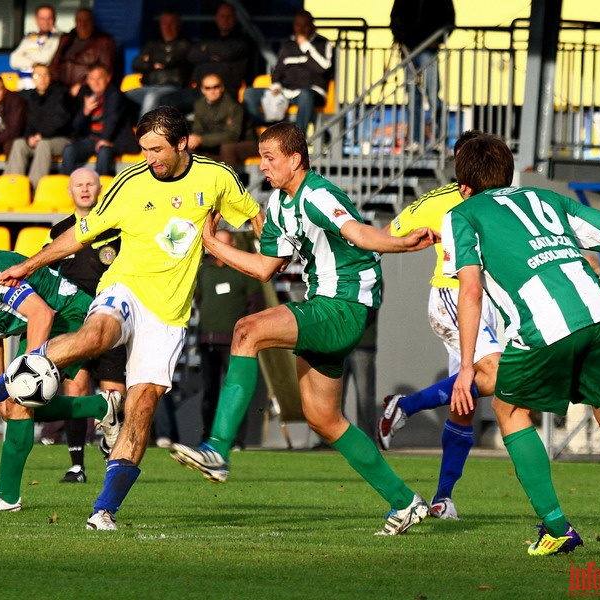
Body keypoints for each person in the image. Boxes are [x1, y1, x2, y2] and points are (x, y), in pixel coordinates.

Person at [0, 106, 263, 531]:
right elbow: (80, 233)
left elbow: (256, 218)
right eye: (143, 148)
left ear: (183, 143)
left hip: (169, 312)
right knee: (98, 333)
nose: (148, 156)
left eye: (156, 149)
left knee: (142, 406)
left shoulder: (217, 177)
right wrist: (30, 265)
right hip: (125, 287)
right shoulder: (131, 183)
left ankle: (103, 510)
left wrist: (279, 251)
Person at [169, 122, 439, 536]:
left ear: (295, 159)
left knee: (246, 330)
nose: (262, 166)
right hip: (325, 306)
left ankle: (218, 450)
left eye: (270, 158)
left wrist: (401, 244)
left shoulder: (318, 193)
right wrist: (214, 245)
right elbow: (264, 268)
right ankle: (406, 502)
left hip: (346, 305)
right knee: (323, 419)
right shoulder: (278, 205)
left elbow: (358, 233)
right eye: (261, 157)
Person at [445, 133, 600, 559]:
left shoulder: (463, 214)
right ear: (508, 172)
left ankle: (556, 527)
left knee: (509, 409)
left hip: (544, 326)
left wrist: (466, 366)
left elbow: (470, 291)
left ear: (465, 185)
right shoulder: (547, 199)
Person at [0, 223, 123, 511]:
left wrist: (18, 379)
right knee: (20, 403)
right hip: (45, 320)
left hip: (70, 314)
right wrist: (1, 383)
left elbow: (41, 313)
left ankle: (6, 495)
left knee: (20, 402)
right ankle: (101, 407)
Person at [376, 130, 501, 521]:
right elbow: (384, 237)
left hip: (495, 301)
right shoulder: (438, 201)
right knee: (496, 374)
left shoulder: (502, 196)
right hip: (453, 296)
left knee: (465, 403)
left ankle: (443, 498)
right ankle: (406, 405)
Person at [39, 169, 127, 481]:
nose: (85, 189)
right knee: (75, 388)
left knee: (114, 395)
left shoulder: (116, 227)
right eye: (79, 185)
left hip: (112, 317)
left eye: (91, 183)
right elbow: (44, 273)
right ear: (70, 190)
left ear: (101, 188)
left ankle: (109, 441)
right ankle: (76, 465)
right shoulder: (59, 231)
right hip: (75, 322)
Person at [194, 228, 264, 448]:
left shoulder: (244, 271)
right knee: (209, 393)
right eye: (217, 244)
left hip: (235, 343)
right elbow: (198, 299)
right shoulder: (205, 271)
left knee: (236, 391)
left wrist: (247, 334)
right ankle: (207, 437)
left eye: (225, 244)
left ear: (233, 246)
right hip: (207, 341)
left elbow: (256, 303)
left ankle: (236, 440)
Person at [242, 11, 332, 135]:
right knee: (249, 93)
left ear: (311, 25)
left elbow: (323, 68)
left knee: (305, 95)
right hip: (286, 90)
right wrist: (277, 85)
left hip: (311, 91)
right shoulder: (288, 44)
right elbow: (278, 70)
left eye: (305, 25)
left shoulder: (322, 43)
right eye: (298, 25)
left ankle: (298, 139)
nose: (301, 29)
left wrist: (306, 46)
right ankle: (265, 130)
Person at [161, 2, 253, 116]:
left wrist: (206, 51)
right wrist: (215, 55)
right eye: (222, 16)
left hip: (224, 92)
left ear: (235, 18)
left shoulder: (242, 41)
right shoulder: (208, 36)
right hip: (199, 90)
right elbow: (192, 55)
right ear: (216, 18)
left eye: (229, 16)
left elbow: (227, 53)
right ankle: (179, 133)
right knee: (165, 101)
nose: (225, 19)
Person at [390, 0, 455, 149]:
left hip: (429, 50)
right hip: (409, 50)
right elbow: (396, 18)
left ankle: (439, 141)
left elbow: (449, 20)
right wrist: (400, 38)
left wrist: (438, 40)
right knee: (413, 98)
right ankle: (415, 141)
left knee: (433, 96)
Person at [60, 64, 137, 176]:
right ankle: (66, 187)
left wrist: (105, 139)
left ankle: (100, 188)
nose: (96, 82)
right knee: (69, 150)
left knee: (103, 151)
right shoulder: (85, 93)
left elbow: (112, 120)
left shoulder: (115, 94)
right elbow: (75, 127)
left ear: (107, 78)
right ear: (87, 81)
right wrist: (85, 111)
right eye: (92, 79)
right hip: (91, 139)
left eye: (99, 78)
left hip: (114, 140)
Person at [4, 63, 72, 188]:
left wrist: (41, 136)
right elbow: (29, 122)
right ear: (32, 78)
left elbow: (60, 121)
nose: (42, 78)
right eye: (38, 75)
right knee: (20, 144)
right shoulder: (31, 97)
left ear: (50, 77)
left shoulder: (61, 95)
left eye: (45, 75)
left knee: (43, 144)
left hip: (61, 139)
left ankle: (33, 187)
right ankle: (13, 186)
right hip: (38, 138)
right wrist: (29, 137)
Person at [187, 73, 257, 170]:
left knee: (227, 147)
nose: (212, 91)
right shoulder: (199, 105)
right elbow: (198, 129)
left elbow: (232, 135)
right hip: (216, 142)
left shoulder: (233, 106)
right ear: (202, 90)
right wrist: (194, 139)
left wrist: (202, 139)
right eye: (208, 88)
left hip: (245, 142)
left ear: (222, 87)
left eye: (216, 87)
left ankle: (229, 182)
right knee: (189, 146)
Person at [127, 10, 190, 117]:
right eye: (164, 23)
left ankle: (145, 132)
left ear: (178, 25)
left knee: (151, 97)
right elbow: (136, 64)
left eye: (171, 23)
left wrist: (149, 59)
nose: (167, 27)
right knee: (125, 96)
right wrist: (152, 64)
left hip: (172, 88)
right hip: (149, 86)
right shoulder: (152, 44)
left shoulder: (184, 44)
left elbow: (168, 61)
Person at [49, 8, 117, 96]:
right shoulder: (66, 38)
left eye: (87, 20)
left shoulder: (104, 42)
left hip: (85, 89)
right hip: (60, 88)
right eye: (79, 20)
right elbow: (55, 62)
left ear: (93, 22)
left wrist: (83, 85)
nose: (83, 24)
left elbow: (106, 70)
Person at [9, 5, 62, 90]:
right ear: (36, 20)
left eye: (49, 18)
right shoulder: (30, 37)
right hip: (22, 84)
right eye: (42, 18)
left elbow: (44, 59)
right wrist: (34, 64)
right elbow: (13, 59)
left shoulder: (59, 37)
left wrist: (26, 55)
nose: (46, 22)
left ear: (54, 19)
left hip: (42, 86)